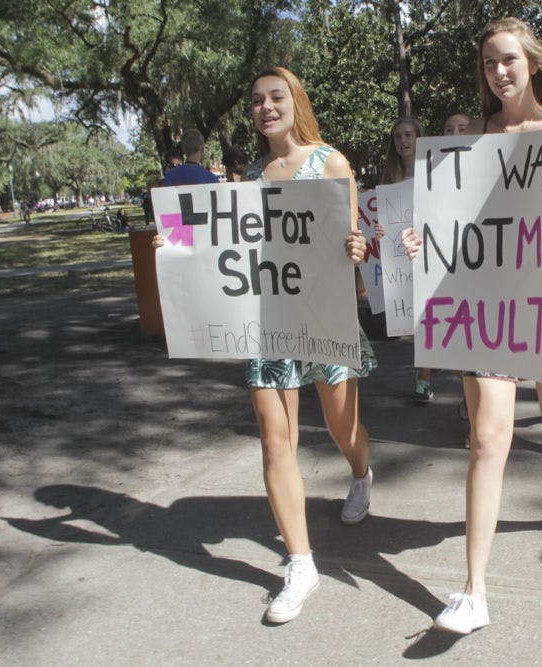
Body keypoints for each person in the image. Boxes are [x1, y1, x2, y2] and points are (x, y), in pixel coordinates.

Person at [402, 17, 542, 635]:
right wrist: (426, 239)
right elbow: (459, 221)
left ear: (530, 62)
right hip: (486, 299)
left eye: (507, 60)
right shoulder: (474, 136)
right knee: (486, 437)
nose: (498, 72)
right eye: (488, 64)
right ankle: (474, 592)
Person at [153, 67, 376, 625]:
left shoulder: (332, 161)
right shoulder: (249, 175)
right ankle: (300, 564)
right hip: (266, 318)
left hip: (323, 316)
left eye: (276, 97)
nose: (266, 107)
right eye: (256, 100)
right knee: (276, 442)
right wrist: (171, 242)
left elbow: (351, 237)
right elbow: (216, 238)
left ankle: (361, 474)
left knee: (343, 429)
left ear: (295, 101)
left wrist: (356, 248)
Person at [381, 116, 435, 403]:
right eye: (398, 136)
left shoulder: (433, 170)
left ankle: (425, 377)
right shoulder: (390, 176)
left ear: (419, 137)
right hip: (401, 257)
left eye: (408, 135)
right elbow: (383, 218)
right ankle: (429, 373)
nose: (403, 141)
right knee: (416, 319)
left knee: (430, 314)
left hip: (431, 251)